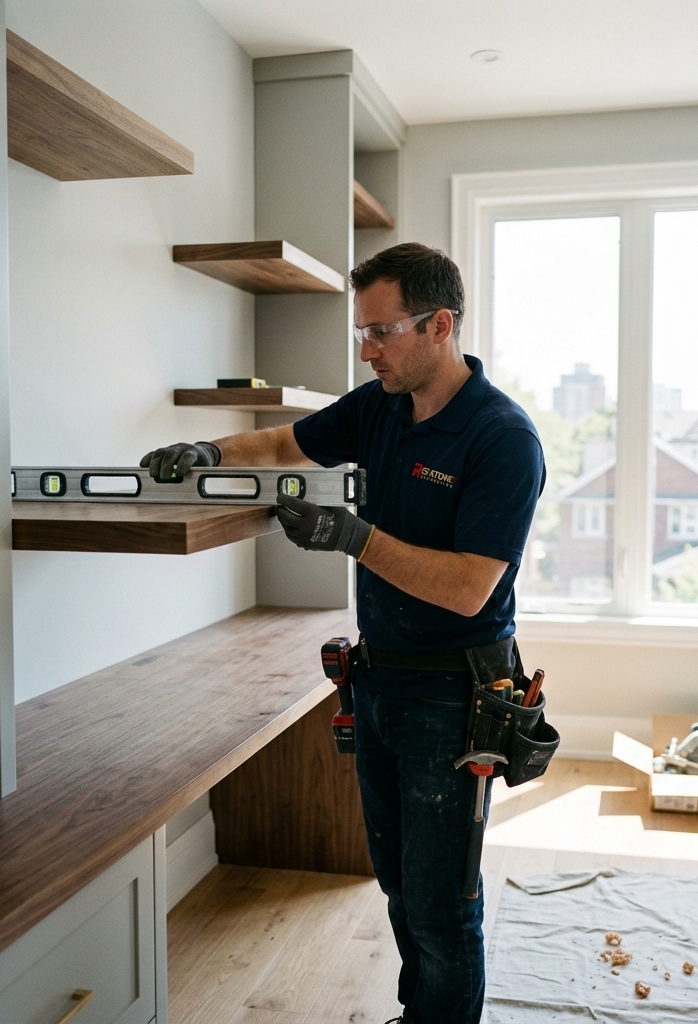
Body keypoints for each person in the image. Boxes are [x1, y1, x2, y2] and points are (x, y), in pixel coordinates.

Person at [141, 243, 545, 1024]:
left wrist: (354, 537)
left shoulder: (500, 437)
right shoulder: (380, 406)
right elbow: (284, 443)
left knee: (442, 900)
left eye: (382, 332)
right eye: (362, 331)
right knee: (398, 881)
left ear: (440, 325)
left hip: (454, 693)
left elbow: (469, 589)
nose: (367, 349)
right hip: (381, 679)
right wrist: (206, 453)